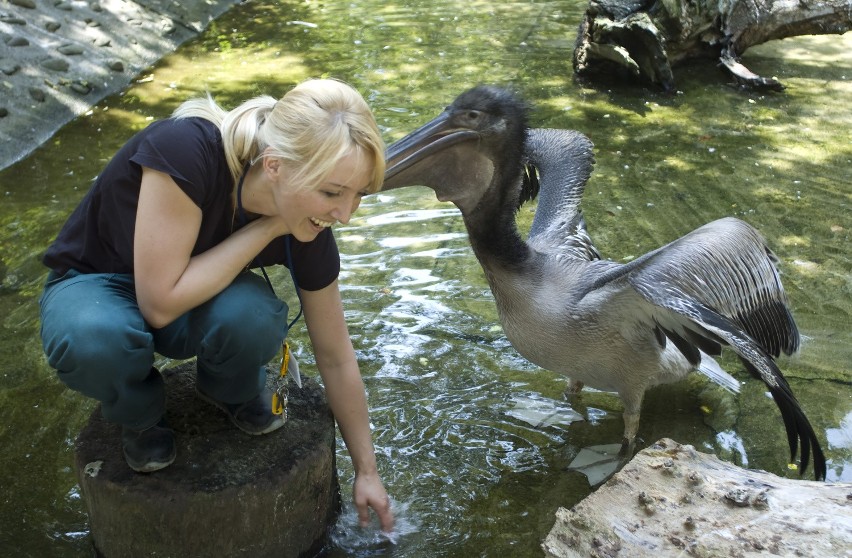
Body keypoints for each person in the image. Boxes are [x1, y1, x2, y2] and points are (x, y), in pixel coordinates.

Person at [38, 78, 394, 532]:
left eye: (358, 195)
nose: (345, 215)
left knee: (256, 318)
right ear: (276, 165)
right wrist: (266, 229)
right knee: (95, 341)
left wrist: (367, 471)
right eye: (332, 193)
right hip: (98, 281)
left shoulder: (309, 222)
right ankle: (140, 416)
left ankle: (228, 389)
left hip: (188, 287)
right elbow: (160, 304)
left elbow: (336, 355)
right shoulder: (187, 149)